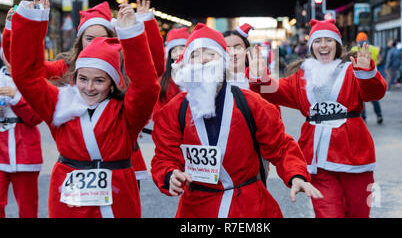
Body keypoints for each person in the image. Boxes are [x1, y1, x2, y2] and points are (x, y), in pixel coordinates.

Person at [10, 0, 160, 218]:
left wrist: (131, 34)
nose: (89, 87)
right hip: (67, 199)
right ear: (75, 76)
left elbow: (147, 86)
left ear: (112, 83)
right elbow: (26, 76)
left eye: (99, 81)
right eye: (82, 79)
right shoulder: (58, 104)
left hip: (118, 196)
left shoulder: (126, 113)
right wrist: (31, 24)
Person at [151, 23, 322, 218]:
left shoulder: (250, 103)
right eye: (195, 55)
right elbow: (164, 156)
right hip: (197, 209)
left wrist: (296, 175)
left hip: (247, 206)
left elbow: (280, 146)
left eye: (210, 53)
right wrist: (169, 174)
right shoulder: (175, 110)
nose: (202, 60)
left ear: (223, 61)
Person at [248, 19, 386, 218]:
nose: (323, 45)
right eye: (318, 40)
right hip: (317, 160)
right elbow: (275, 91)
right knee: (328, 214)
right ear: (311, 45)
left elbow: (375, 93)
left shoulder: (351, 69)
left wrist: (366, 73)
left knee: (358, 214)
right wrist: (260, 77)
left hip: (354, 156)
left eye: (328, 40)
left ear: (337, 45)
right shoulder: (303, 75)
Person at [0, 34, 43, 218]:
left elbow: (36, 117)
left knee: (27, 207)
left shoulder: (33, 81)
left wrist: (16, 97)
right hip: (1, 148)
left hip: (26, 149)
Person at [352, 32, 383, 124]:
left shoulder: (354, 49)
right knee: (374, 98)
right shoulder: (374, 48)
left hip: (359, 76)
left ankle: (363, 117)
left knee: (361, 98)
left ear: (358, 40)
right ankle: (379, 115)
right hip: (372, 75)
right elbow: (380, 59)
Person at [223, 23, 253, 89]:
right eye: (227, 49)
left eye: (238, 48)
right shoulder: (215, 84)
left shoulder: (259, 80)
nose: (233, 53)